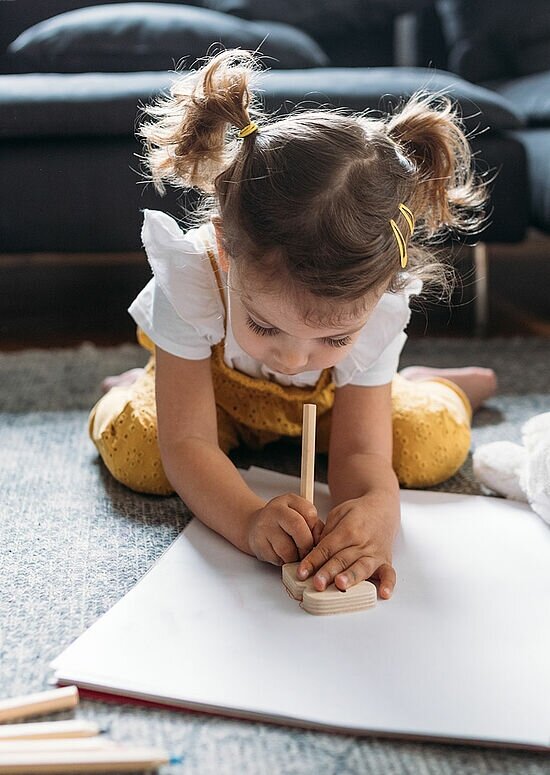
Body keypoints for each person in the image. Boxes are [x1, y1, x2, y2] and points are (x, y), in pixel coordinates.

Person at [89, 50, 496, 600]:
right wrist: (249, 521)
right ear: (228, 255)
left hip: (324, 411)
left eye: (333, 339)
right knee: (146, 454)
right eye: (264, 325)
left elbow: (360, 456)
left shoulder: (375, 310)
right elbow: (188, 442)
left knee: (427, 447)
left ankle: (438, 387)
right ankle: (135, 387)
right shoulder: (193, 277)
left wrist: (376, 511)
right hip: (215, 400)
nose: (292, 359)